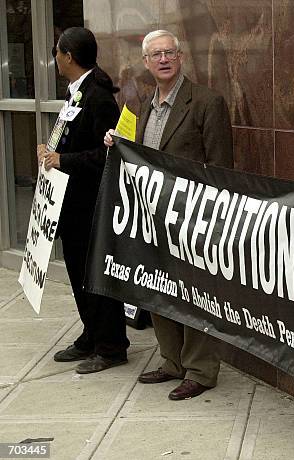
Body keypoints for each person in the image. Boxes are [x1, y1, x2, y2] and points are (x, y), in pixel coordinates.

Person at [104, 30, 233, 401]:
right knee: (159, 289)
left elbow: (222, 167)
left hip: (193, 216)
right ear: (146, 62)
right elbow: (143, 156)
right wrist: (118, 143)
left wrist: (212, 218)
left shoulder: (208, 101)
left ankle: (200, 370)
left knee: (195, 293)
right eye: (156, 54)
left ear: (181, 58)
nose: (163, 59)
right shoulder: (145, 105)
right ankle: (172, 361)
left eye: (170, 53)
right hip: (151, 215)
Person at [37, 27, 130, 374]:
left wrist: (65, 160)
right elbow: (73, 138)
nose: (55, 59)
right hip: (70, 204)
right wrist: (52, 151)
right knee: (78, 272)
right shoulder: (76, 92)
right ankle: (91, 335)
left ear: (68, 56)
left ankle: (111, 345)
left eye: (57, 53)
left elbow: (108, 153)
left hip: (91, 204)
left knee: (95, 276)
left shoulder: (98, 96)